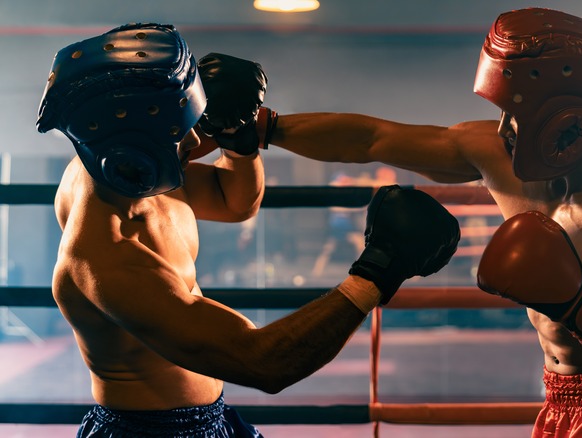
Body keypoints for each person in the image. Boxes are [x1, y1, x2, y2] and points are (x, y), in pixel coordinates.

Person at [199, 7, 582, 437]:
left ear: (570, 118)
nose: (504, 131)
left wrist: (578, 305)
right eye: (504, 112)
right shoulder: (500, 154)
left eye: (519, 116)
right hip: (556, 400)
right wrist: (261, 128)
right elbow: (373, 140)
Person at [37, 23, 460, 437]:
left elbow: (233, 202)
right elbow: (264, 363)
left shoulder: (132, 176)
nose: (195, 142)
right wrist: (377, 273)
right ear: (131, 148)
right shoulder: (104, 258)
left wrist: (239, 142)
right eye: (180, 133)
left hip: (214, 418)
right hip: (149, 432)